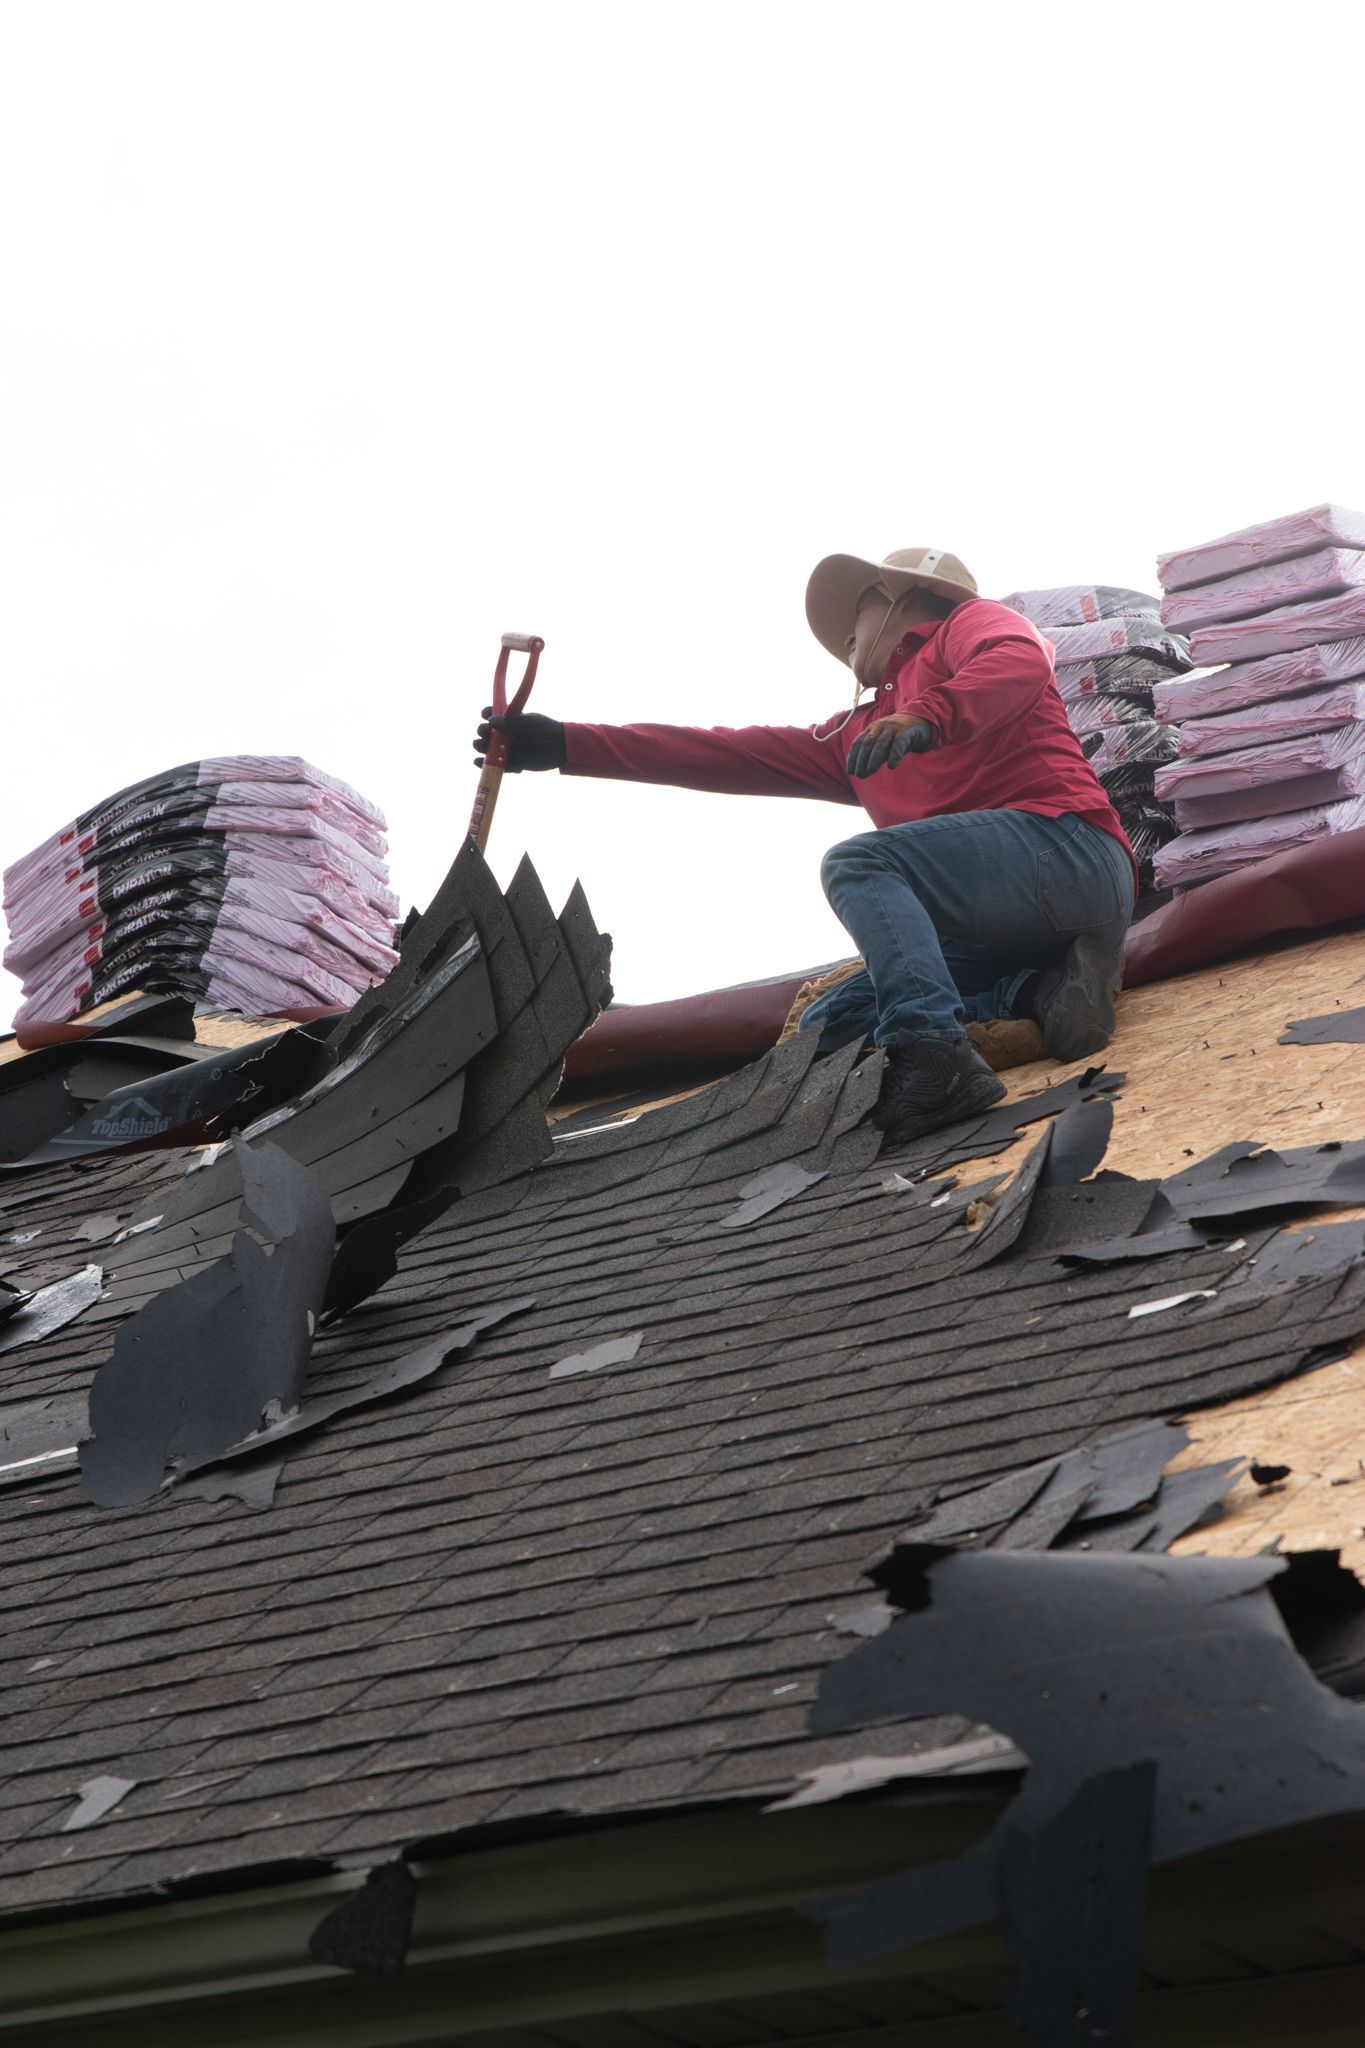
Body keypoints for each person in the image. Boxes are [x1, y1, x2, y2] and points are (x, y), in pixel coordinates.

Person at [472, 546, 1135, 1143]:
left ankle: (935, 1059)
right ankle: (1037, 991)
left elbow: (1016, 661)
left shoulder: (968, 629)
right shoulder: (860, 734)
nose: (843, 635)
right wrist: (564, 745)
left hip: (1070, 857)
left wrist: (927, 715)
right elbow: (725, 752)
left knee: (861, 861)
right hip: (995, 935)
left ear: (903, 599)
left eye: (858, 611)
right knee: (823, 1030)